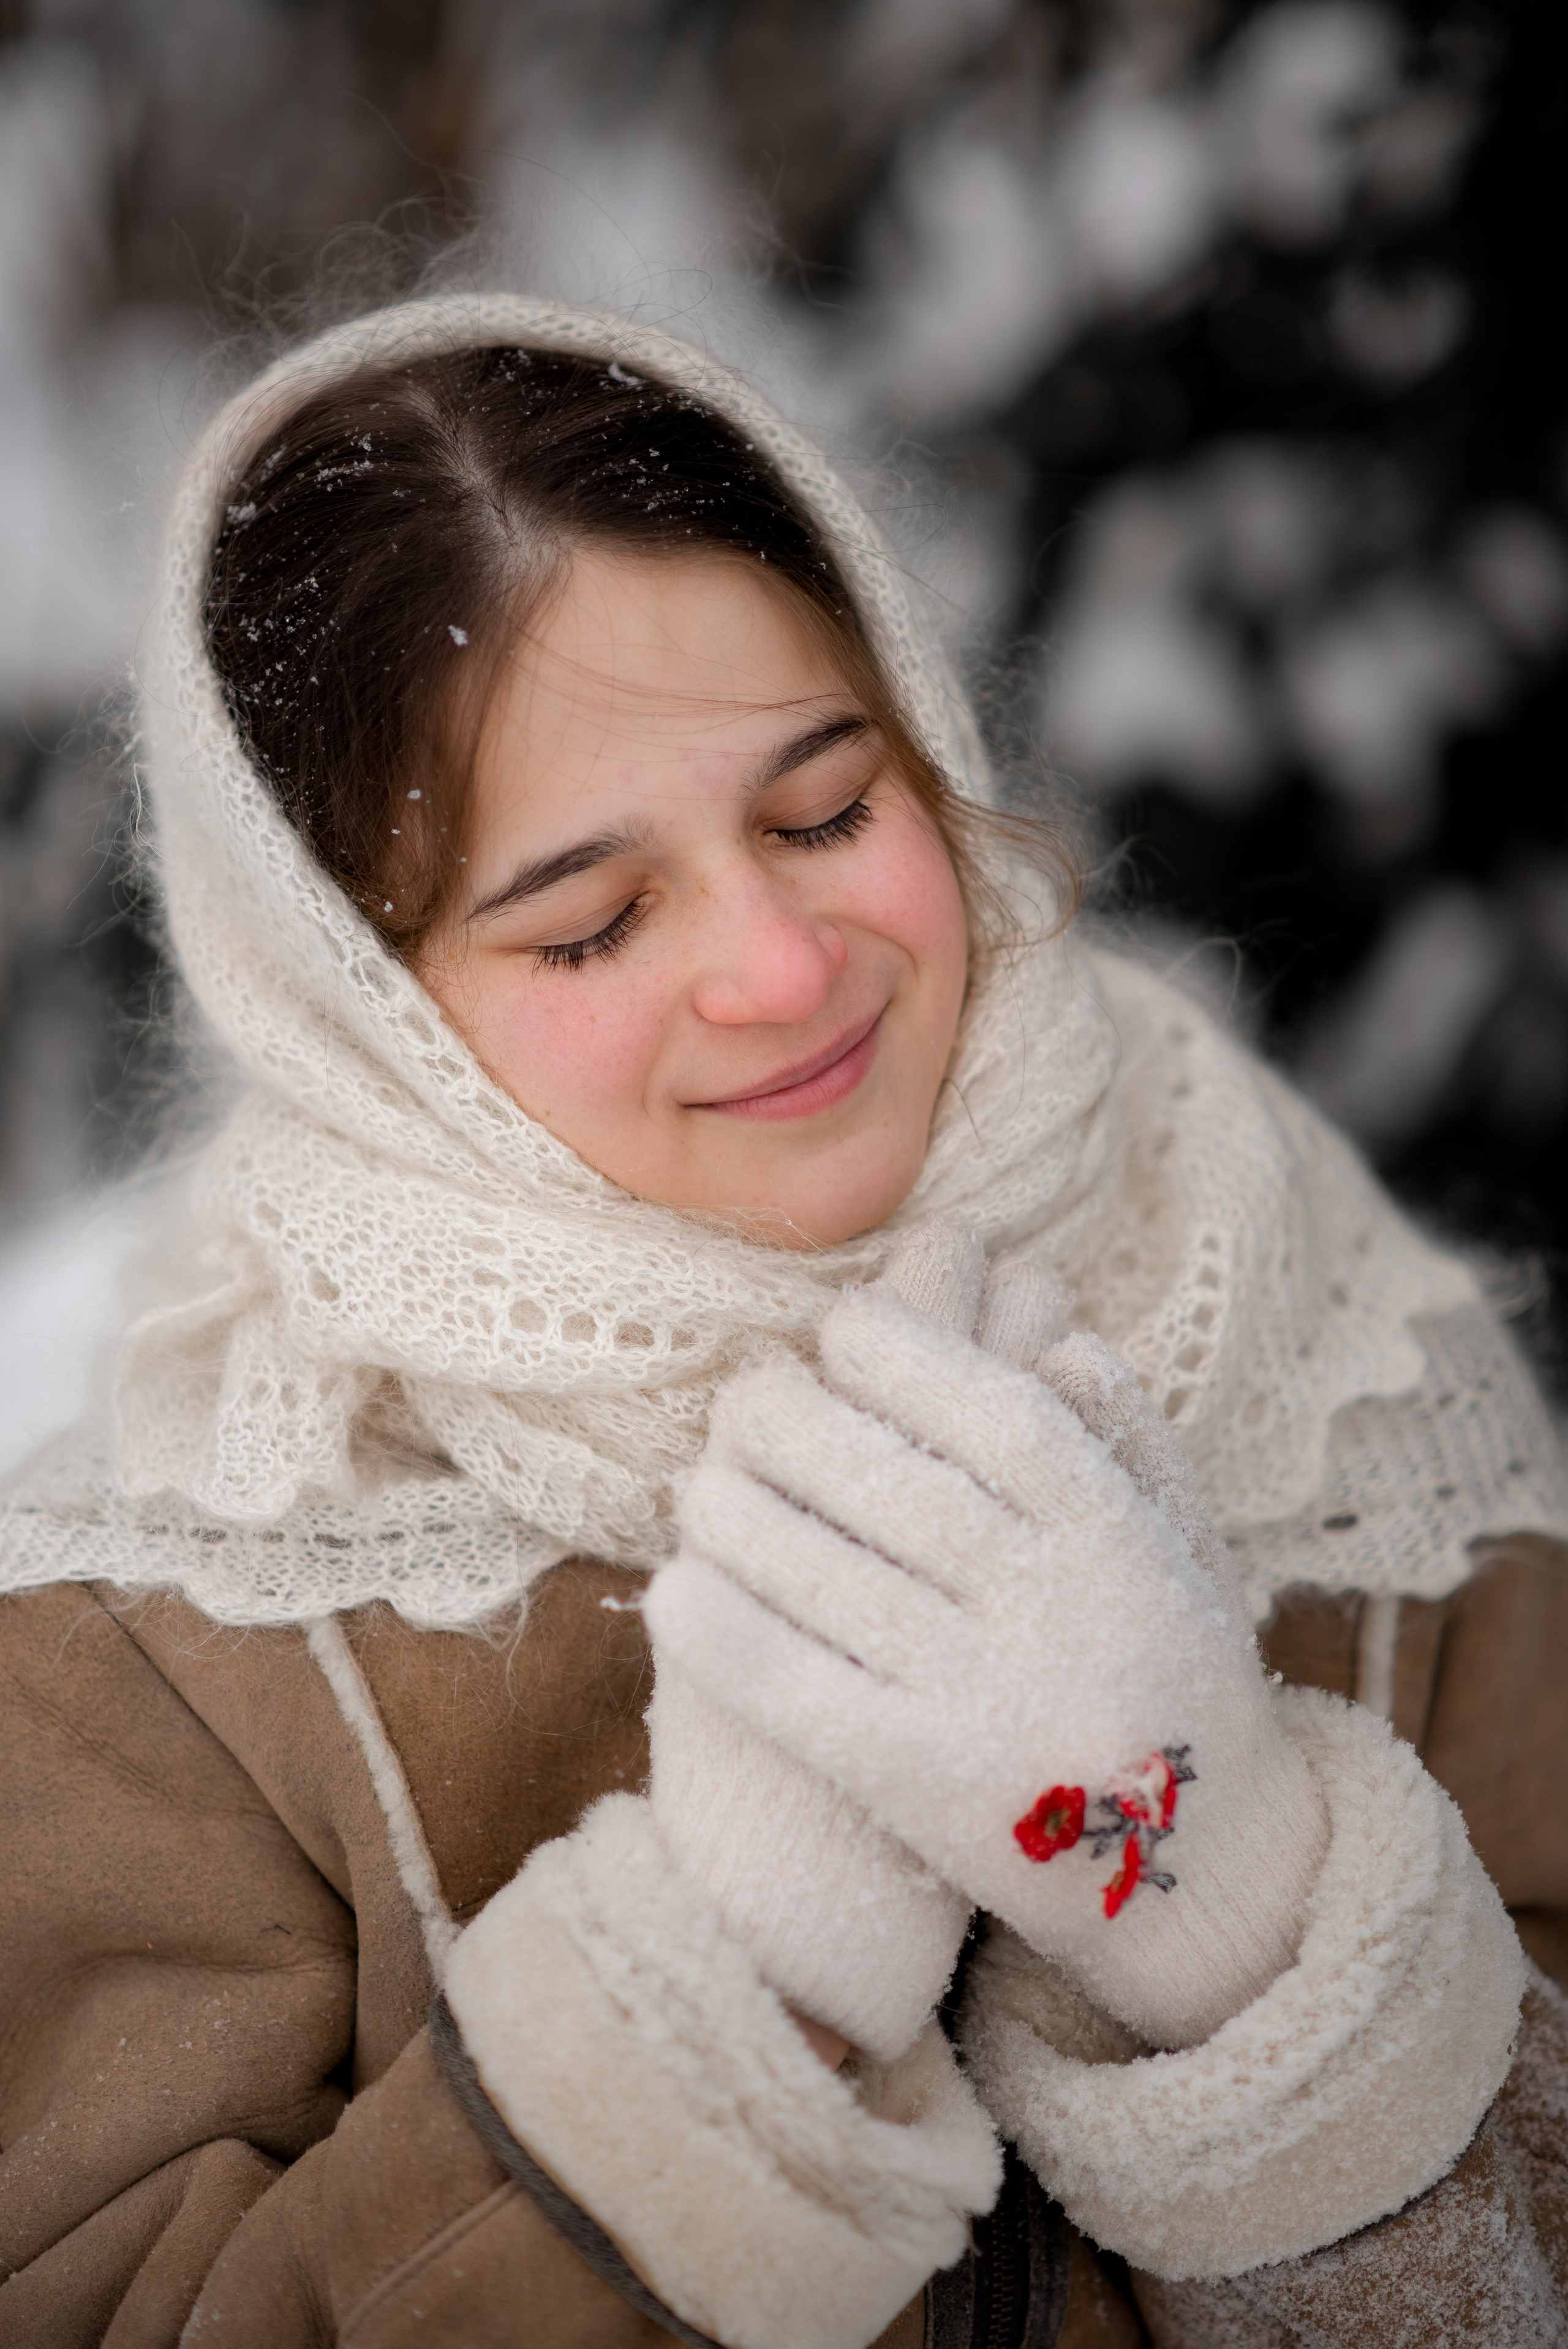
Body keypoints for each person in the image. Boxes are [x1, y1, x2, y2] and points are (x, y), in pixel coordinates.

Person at [2, 293, 1567, 2349]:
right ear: (358, 1008)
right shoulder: (162, 1631)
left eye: (828, 810)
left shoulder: (1328, 1340)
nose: (780, 962)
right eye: (590, 917)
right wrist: (737, 2002)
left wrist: (1251, 1927)